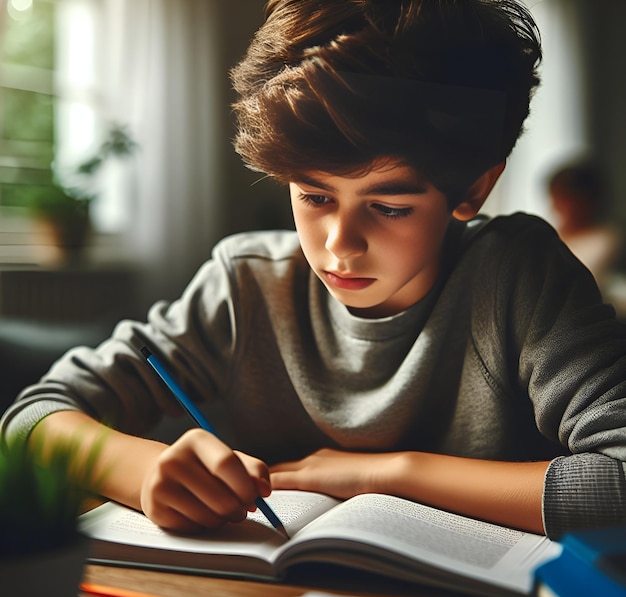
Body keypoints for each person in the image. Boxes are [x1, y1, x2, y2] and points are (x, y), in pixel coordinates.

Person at [2, 0, 626, 541]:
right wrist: (144, 472)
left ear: (474, 188)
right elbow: (34, 418)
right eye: (314, 196)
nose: (339, 245)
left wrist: (379, 472)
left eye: (388, 207)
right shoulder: (247, 285)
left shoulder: (516, 276)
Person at [547, 160, 622, 295]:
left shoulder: (608, 239)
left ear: (587, 200)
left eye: (564, 199)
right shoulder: (550, 233)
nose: (556, 207)